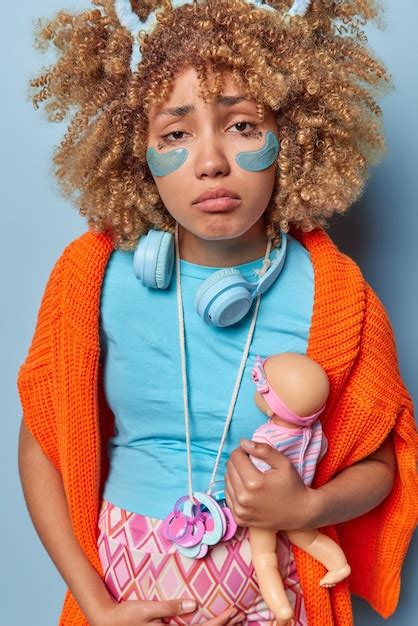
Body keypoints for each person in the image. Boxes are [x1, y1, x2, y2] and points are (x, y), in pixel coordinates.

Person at [17, 2, 417, 626]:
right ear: (136, 151)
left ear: (294, 134)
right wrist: (93, 605)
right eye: (176, 133)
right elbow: (42, 443)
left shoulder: (335, 291)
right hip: (126, 598)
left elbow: (382, 464)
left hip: (277, 599)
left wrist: (306, 510)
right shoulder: (92, 277)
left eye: (242, 126)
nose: (210, 163)